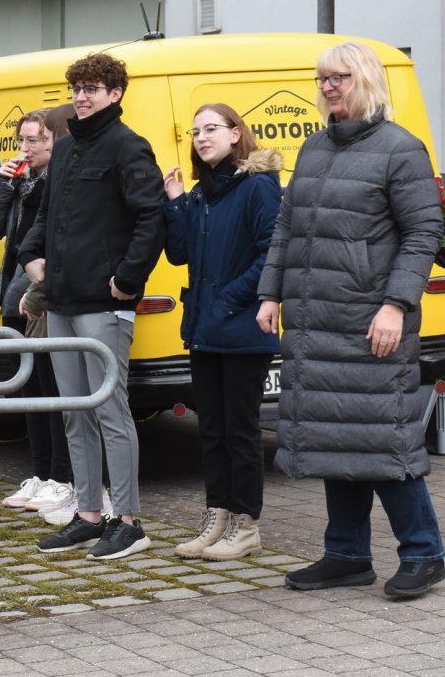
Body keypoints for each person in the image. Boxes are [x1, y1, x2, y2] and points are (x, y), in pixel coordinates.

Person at [258, 41, 445, 599]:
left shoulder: (400, 148)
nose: (328, 86)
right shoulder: (315, 147)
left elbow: (423, 233)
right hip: (316, 320)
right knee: (333, 435)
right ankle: (346, 554)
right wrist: (270, 293)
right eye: (322, 78)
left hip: (372, 321)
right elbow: (287, 227)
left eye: (338, 77)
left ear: (364, 78)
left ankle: (424, 554)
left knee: (384, 437)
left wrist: (396, 304)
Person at [19, 52, 165, 560]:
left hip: (104, 302)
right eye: (77, 88)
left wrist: (128, 279)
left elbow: (151, 217)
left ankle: (128, 522)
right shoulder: (64, 149)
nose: (81, 97)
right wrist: (31, 256)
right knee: (75, 411)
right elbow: (45, 214)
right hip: (61, 298)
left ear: (115, 94)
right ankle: (87, 515)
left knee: (109, 411)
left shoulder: (128, 146)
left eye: (92, 89)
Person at [162, 104, 282, 560]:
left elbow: (271, 252)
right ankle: (217, 517)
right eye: (195, 132)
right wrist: (175, 202)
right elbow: (178, 254)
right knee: (211, 431)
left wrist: (229, 299)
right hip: (205, 328)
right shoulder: (200, 193)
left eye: (211, 129)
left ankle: (246, 526)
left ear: (236, 134)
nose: (201, 138)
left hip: (243, 327)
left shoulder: (258, 186)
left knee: (241, 432)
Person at [0, 106, 79, 519]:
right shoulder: (20, 182)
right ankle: (40, 473)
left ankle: (61, 477)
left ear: (56, 141)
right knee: (32, 391)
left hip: (41, 297)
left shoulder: (61, 181)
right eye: (21, 139)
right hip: (14, 297)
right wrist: (2, 184)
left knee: (54, 392)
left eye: (34, 140)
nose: (25, 147)